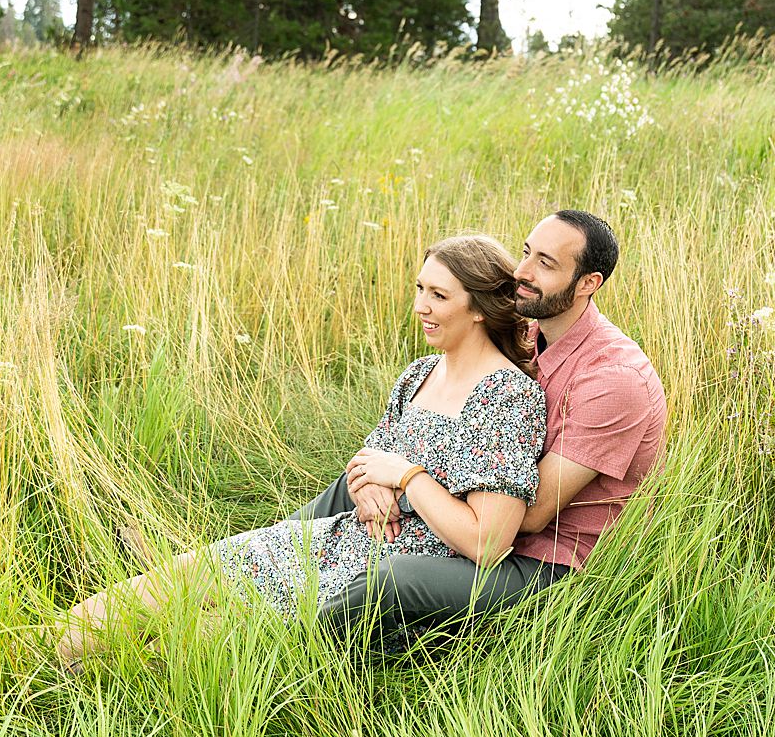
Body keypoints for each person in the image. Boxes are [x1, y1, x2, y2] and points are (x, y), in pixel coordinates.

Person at [55, 234, 547, 668]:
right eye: (420, 288)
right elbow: (368, 460)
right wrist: (363, 484)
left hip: (376, 575)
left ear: (480, 308)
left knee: (182, 641)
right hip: (334, 539)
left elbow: (487, 542)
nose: (420, 305)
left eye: (439, 295)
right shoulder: (420, 373)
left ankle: (72, 680)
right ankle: (30, 649)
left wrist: (406, 478)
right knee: (169, 583)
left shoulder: (505, 396)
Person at [305, 209, 667, 651]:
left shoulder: (614, 379)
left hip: (545, 566)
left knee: (391, 578)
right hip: (480, 515)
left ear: (588, 283)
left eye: (546, 264)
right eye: (526, 253)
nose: (523, 272)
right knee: (352, 484)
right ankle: (257, 562)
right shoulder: (528, 332)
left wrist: (406, 477)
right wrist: (371, 478)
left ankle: (287, 645)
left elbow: (530, 516)